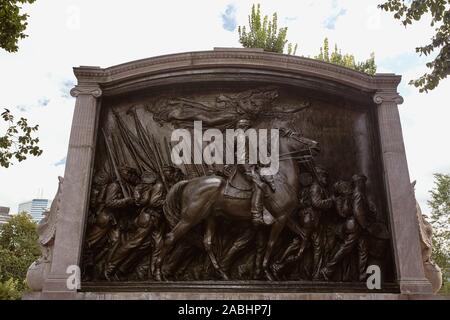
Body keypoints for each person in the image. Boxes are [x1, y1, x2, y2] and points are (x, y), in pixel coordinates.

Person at [234, 118, 275, 226]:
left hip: (248, 166)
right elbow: (241, 157)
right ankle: (256, 214)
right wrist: (248, 170)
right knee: (260, 185)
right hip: (243, 168)